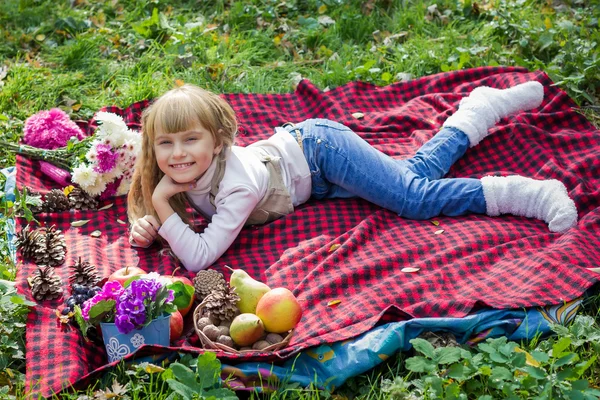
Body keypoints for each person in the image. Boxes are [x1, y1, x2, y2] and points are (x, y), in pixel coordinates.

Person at [127, 82, 577, 272]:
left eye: (190, 140)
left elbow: (200, 257)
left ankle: (528, 193)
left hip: (323, 152)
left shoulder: (237, 184)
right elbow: (180, 226)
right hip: (313, 175)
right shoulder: (181, 173)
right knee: (413, 175)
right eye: (166, 143)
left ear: (219, 141)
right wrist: (150, 221)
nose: (178, 153)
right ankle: (478, 111)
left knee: (413, 198)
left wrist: (163, 205)